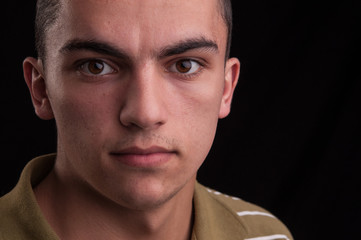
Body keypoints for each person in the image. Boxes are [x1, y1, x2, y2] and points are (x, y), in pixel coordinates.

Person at [0, 0, 293, 239]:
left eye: (184, 65)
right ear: (40, 89)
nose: (145, 113)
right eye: (96, 66)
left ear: (226, 89)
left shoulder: (265, 235)